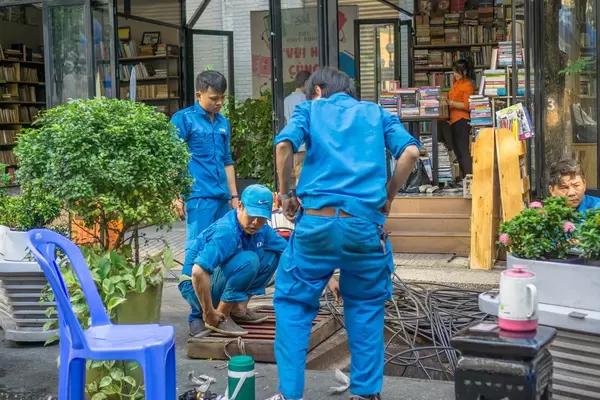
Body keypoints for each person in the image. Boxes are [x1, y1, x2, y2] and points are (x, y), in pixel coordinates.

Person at [269, 67, 421, 400]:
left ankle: (289, 394)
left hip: (316, 227)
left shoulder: (310, 109)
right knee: (365, 305)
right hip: (364, 228)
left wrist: (286, 194)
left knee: (293, 304)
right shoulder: (377, 113)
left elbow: (283, 146)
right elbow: (410, 153)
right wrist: (389, 196)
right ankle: (365, 393)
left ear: (319, 91)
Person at [178, 184, 287, 337]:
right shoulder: (227, 232)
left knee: (273, 254)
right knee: (249, 260)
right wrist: (209, 311)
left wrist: (324, 276)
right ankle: (219, 316)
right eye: (252, 215)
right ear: (240, 206)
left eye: (262, 218)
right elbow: (198, 272)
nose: (255, 223)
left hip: (214, 279)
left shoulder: (263, 230)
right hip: (193, 285)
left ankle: (238, 309)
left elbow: (289, 252)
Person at [171, 71, 240, 257]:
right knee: (197, 248)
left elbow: (227, 161)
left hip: (222, 197)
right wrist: (175, 196)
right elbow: (173, 159)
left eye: (223, 98)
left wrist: (234, 196)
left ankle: (216, 286)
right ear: (199, 95)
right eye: (214, 98)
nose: (219, 103)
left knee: (223, 247)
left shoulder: (223, 122)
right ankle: (191, 286)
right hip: (198, 196)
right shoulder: (183, 119)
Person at [447, 59, 475, 179]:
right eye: (454, 72)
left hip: (462, 120)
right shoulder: (456, 83)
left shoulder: (467, 85)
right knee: (457, 150)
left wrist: (451, 103)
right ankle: (464, 178)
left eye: (457, 72)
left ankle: (469, 178)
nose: (454, 74)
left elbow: (467, 106)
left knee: (463, 150)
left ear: (464, 72)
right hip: (453, 120)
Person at [284, 70, 312, 187]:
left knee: (293, 178)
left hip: (292, 145)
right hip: (303, 146)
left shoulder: (286, 100)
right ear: (306, 82)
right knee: (302, 178)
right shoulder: (305, 99)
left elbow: (286, 121)